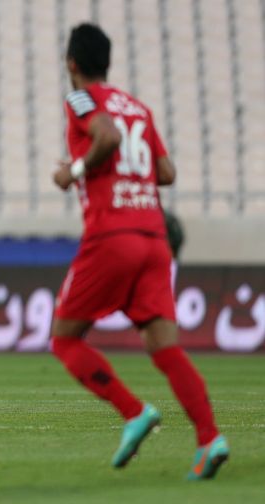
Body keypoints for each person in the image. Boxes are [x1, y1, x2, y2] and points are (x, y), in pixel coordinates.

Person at [50, 24, 227, 479]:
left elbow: (107, 137)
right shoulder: (139, 108)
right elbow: (166, 172)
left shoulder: (80, 99)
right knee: (163, 345)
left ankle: (133, 412)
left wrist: (74, 171)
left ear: (72, 63)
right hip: (154, 237)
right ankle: (209, 439)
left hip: (112, 235)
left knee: (65, 338)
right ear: (107, 62)